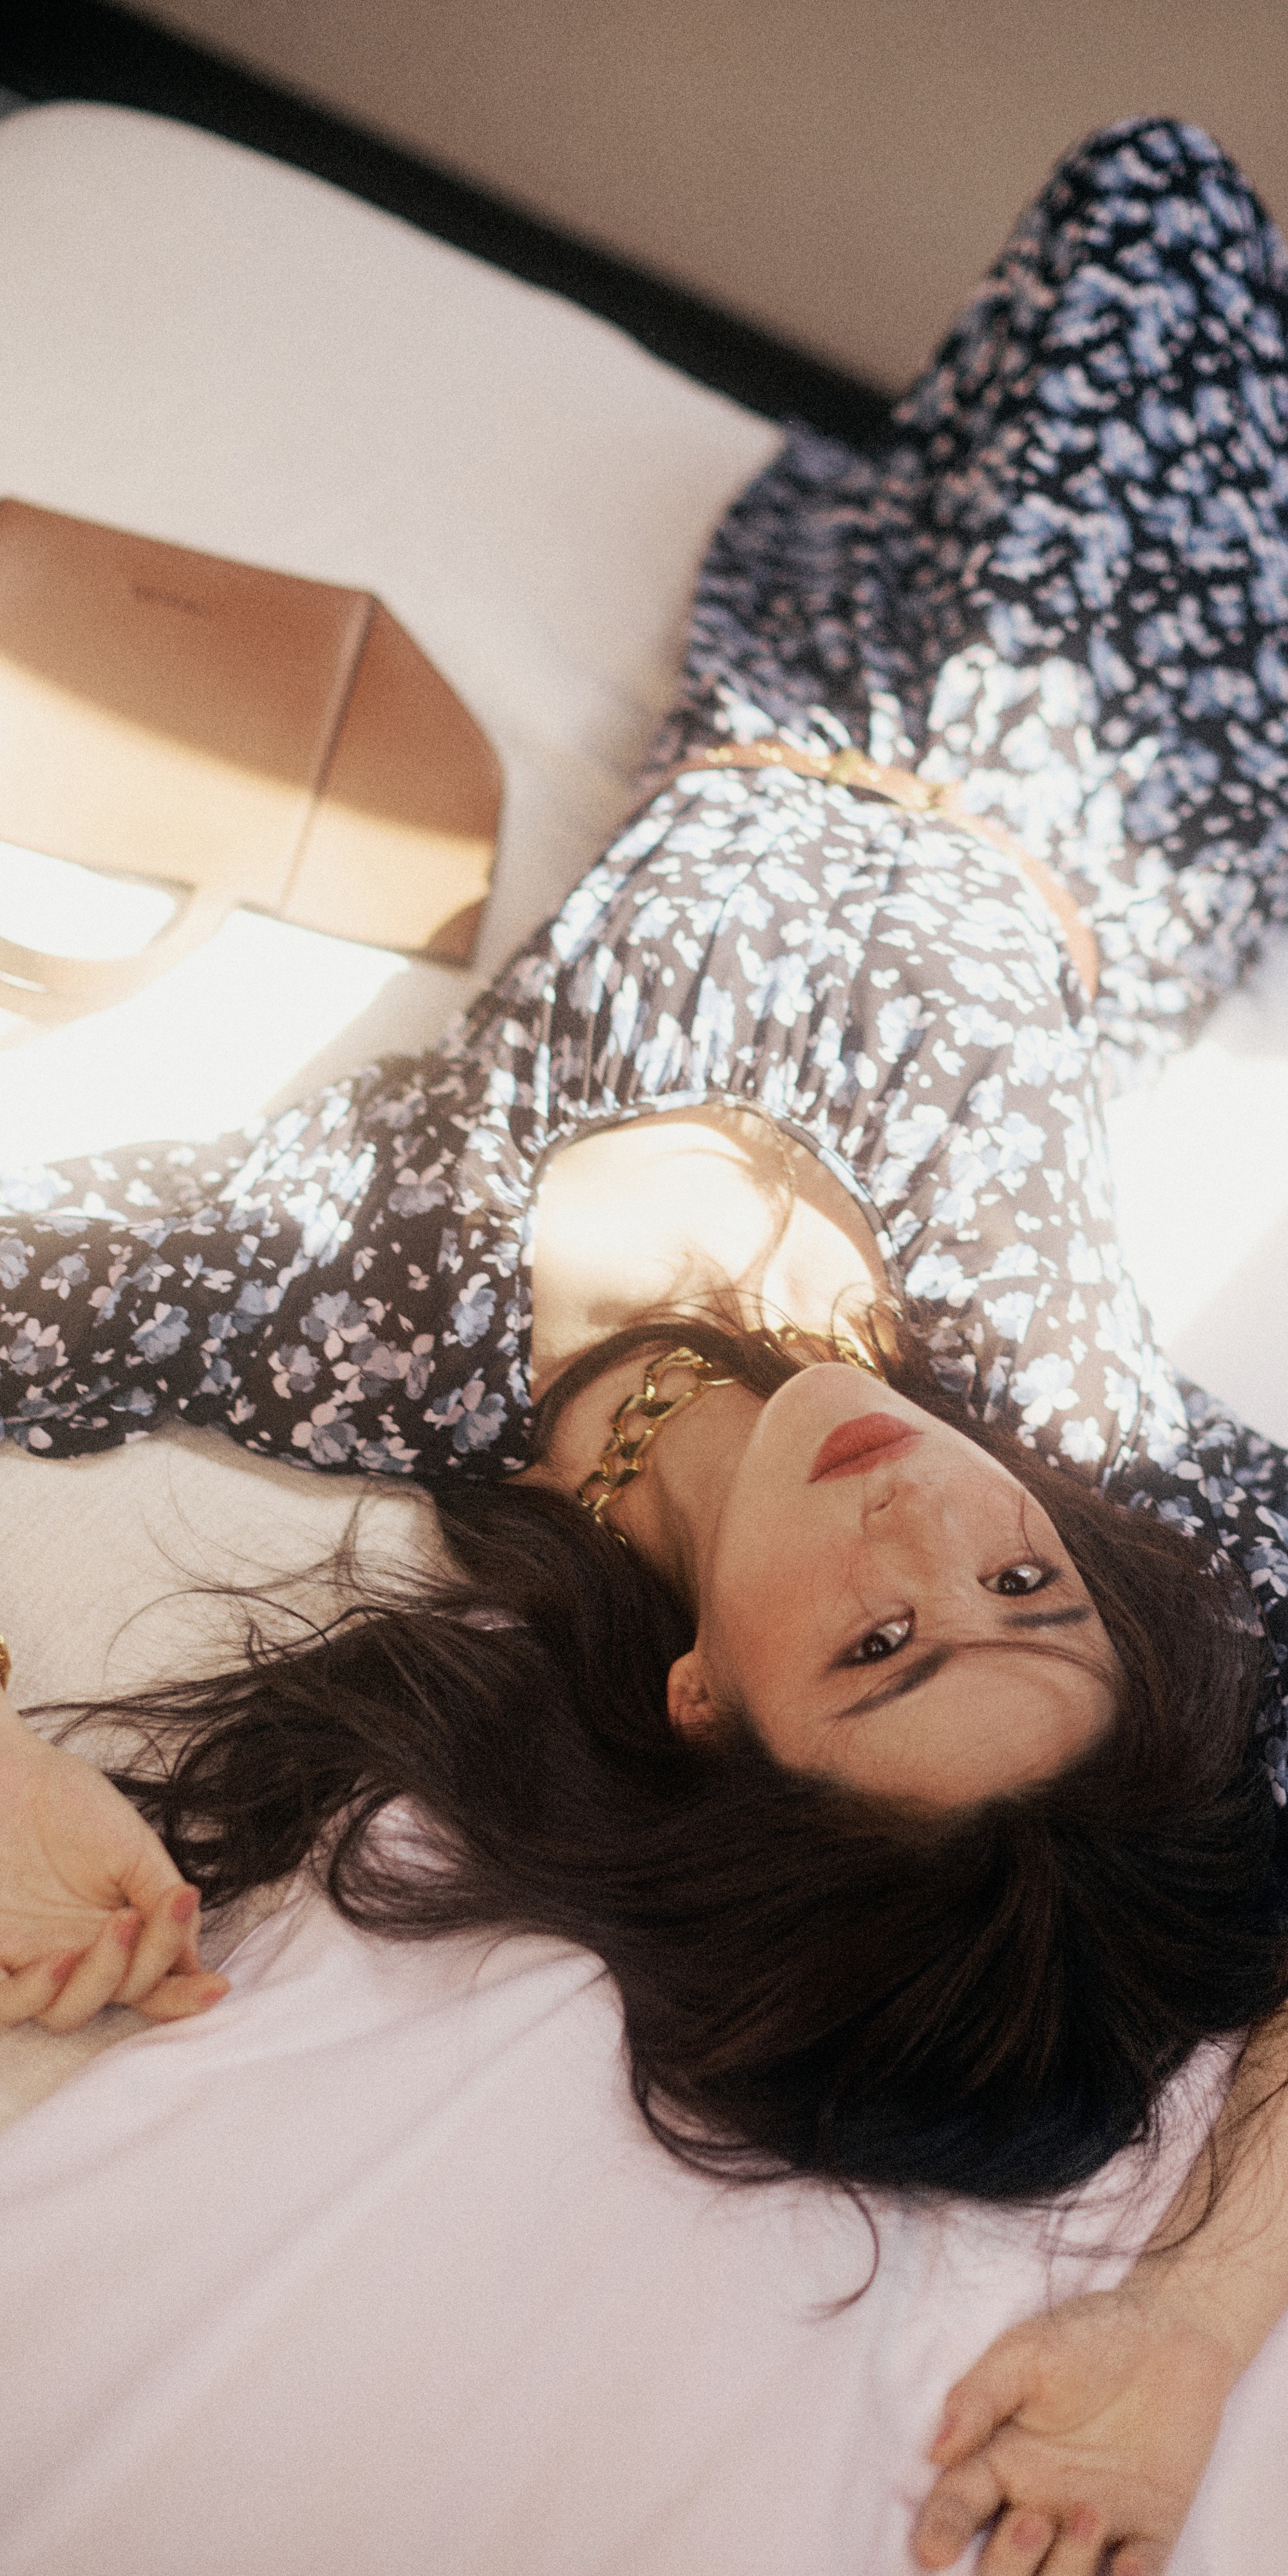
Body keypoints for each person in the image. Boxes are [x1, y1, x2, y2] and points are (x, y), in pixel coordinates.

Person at [4, 112, 1288, 2570]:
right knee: (1161, 190)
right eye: (1030, 1587)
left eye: (883, 1649)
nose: (935, 1521)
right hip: (1112, 765)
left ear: (701, 1700)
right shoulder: (1063, 1400)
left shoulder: (357, 1299)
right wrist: (1201, 2320)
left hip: (786, 669)